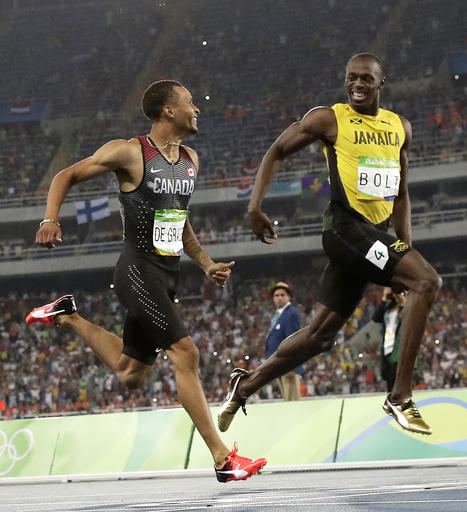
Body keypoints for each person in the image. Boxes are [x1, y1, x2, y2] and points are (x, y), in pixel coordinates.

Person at [26, 80, 266, 482]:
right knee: (186, 354)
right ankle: (223, 459)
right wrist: (50, 219)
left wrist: (205, 264)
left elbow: (179, 218)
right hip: (136, 270)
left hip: (167, 273)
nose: (197, 109)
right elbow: (65, 175)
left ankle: (67, 316)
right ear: (168, 110)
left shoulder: (191, 159)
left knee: (129, 374)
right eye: (190, 102)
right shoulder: (130, 152)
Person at [218, 53, 442, 435]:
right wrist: (254, 206)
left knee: (321, 335)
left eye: (366, 79)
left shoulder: (399, 127)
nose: (357, 84)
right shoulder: (329, 118)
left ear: (381, 83)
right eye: (351, 78)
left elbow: (401, 193)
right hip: (343, 229)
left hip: (372, 234)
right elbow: (277, 150)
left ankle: (246, 385)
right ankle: (400, 396)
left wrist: (404, 247)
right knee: (429, 281)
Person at [266, 282, 303, 400]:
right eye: (276, 295)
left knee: (293, 402)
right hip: (280, 365)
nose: (279, 298)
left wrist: (291, 366)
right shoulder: (279, 314)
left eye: (282, 295)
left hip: (287, 366)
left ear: (289, 297)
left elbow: (294, 340)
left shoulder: (291, 314)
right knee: (287, 401)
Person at [372, 287, 407, 393]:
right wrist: (384, 298)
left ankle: (399, 401)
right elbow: (376, 317)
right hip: (387, 345)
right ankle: (392, 401)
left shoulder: (405, 307)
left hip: (399, 347)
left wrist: (404, 301)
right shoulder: (389, 306)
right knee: (388, 378)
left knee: (397, 377)